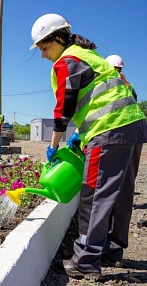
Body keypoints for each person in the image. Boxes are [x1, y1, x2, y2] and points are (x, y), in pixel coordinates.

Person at [30, 13, 147, 281]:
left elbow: (63, 110)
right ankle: (112, 251)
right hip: (132, 125)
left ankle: (85, 260)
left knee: (94, 193)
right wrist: (80, 136)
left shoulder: (67, 61)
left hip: (107, 130)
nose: (44, 56)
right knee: (119, 193)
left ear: (59, 38)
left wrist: (53, 146)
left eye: (45, 48)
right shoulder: (89, 55)